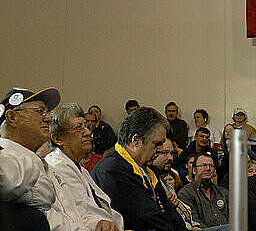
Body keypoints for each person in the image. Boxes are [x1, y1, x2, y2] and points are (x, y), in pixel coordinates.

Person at [0, 87, 95, 231]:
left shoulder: (36, 160)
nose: (48, 118)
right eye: (40, 111)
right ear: (12, 118)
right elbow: (9, 184)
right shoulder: (6, 155)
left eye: (47, 112)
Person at [91, 107, 187, 231]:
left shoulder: (148, 168)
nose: (160, 150)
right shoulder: (111, 170)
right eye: (156, 144)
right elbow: (147, 219)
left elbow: (170, 214)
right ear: (136, 141)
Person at [46, 103, 124, 230]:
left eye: (86, 127)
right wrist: (100, 223)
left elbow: (102, 207)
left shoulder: (80, 168)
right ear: (58, 138)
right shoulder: (56, 166)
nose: (87, 132)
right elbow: (78, 215)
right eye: (78, 128)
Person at [152, 138, 200, 230]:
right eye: (164, 153)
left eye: (172, 153)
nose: (170, 158)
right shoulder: (150, 180)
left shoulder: (163, 182)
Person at [177, 153, 229, 231]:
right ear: (194, 170)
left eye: (211, 166)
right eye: (204, 165)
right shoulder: (186, 193)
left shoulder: (223, 192)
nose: (208, 168)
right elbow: (193, 222)